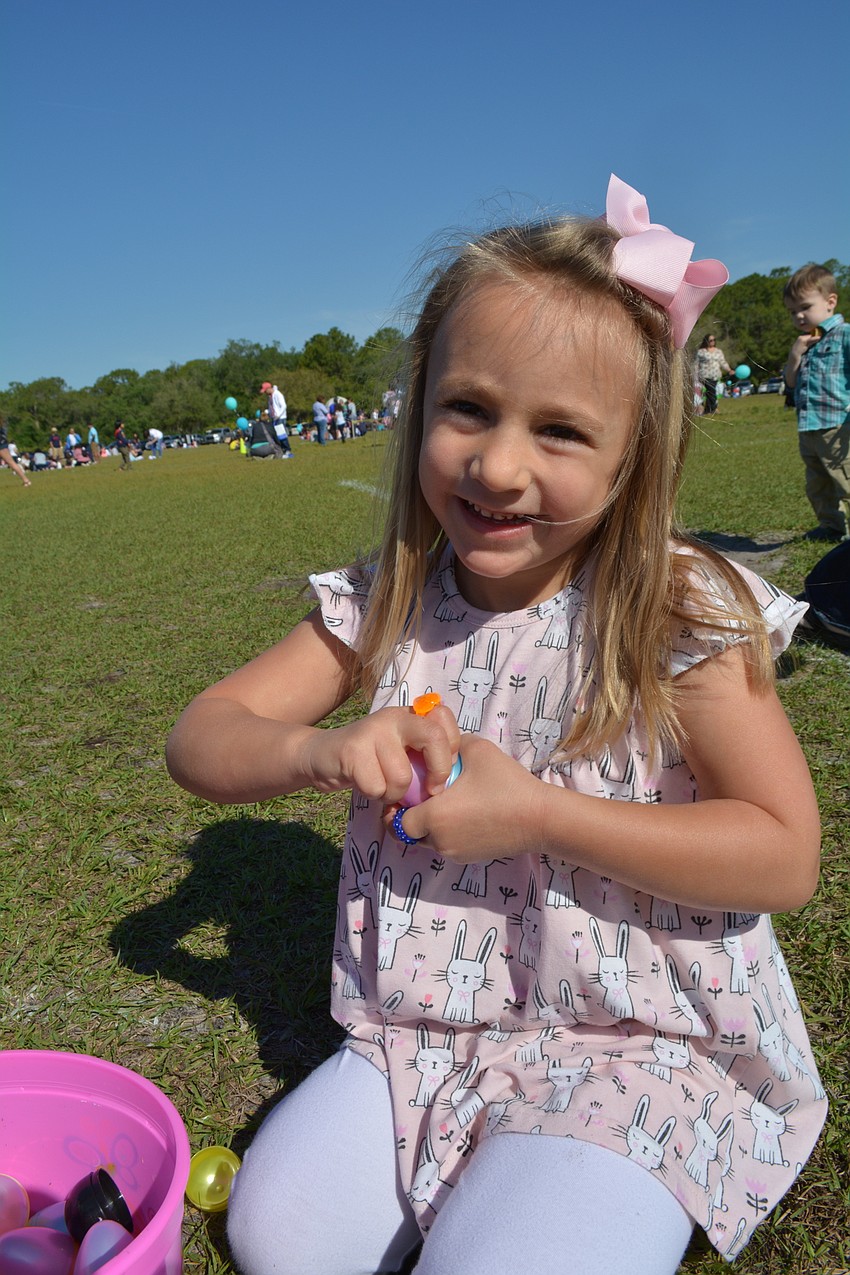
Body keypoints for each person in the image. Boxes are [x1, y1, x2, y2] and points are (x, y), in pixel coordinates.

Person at [166, 175, 827, 1275]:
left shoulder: (672, 611)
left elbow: (781, 851)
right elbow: (203, 737)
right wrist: (316, 748)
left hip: (643, 1046)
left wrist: (539, 817)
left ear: (634, 459)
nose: (498, 467)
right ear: (421, 401)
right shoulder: (388, 602)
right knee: (275, 1233)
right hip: (425, 1037)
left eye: (560, 431)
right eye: (468, 408)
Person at [783, 263, 850, 543]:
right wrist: (795, 355)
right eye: (792, 311)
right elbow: (790, 382)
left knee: (845, 480)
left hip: (837, 425)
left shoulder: (844, 334)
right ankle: (831, 526)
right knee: (817, 484)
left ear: (830, 302)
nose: (799, 316)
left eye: (805, 307)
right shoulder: (804, 343)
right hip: (808, 426)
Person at [693, 334, 732, 415]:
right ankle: (713, 409)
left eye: (714, 340)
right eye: (711, 340)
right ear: (706, 341)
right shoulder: (701, 352)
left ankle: (708, 410)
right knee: (711, 391)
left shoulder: (718, 351)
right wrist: (694, 374)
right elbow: (696, 364)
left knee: (710, 392)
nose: (713, 342)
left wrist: (729, 370)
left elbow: (723, 362)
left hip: (715, 375)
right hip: (704, 375)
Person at [261, 382, 294, 457]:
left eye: (265, 391)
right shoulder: (270, 397)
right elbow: (273, 408)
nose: (265, 393)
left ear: (269, 389)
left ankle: (287, 450)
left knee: (282, 435)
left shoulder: (278, 394)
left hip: (280, 418)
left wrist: (278, 415)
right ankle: (282, 450)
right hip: (274, 418)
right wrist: (267, 411)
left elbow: (283, 406)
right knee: (277, 436)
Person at [0, 419, 31, 487]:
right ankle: (26, 480)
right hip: (3, 443)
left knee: (11, 463)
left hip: (1, 445)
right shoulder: (2, 426)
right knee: (11, 463)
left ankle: (26, 480)